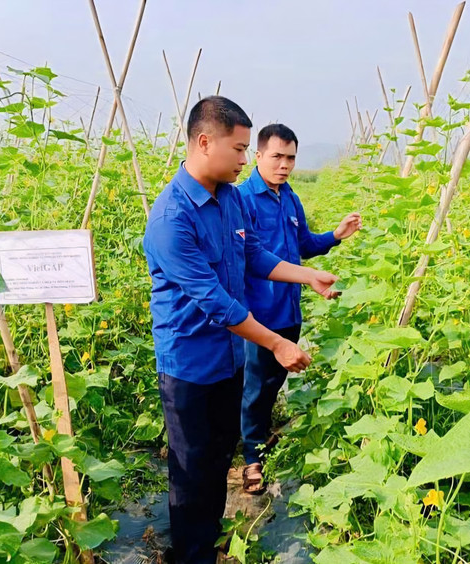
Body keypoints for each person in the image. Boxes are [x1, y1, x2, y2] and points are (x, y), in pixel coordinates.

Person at [142, 98, 340, 564]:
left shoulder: (228, 199)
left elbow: (252, 257)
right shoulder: (172, 218)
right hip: (190, 366)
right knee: (190, 471)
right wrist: (275, 342)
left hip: (230, 358)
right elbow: (215, 301)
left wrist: (305, 274)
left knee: (216, 458)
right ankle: (193, 554)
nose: (244, 159)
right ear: (204, 141)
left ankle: (207, 540)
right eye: (239, 148)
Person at [238, 123, 362, 494]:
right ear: (258, 156)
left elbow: (304, 244)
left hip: (290, 310)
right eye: (277, 156)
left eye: (291, 157)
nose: (285, 164)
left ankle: (256, 434)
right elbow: (249, 258)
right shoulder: (243, 200)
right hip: (259, 315)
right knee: (255, 388)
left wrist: (335, 236)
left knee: (273, 384)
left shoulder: (290, 197)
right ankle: (251, 459)